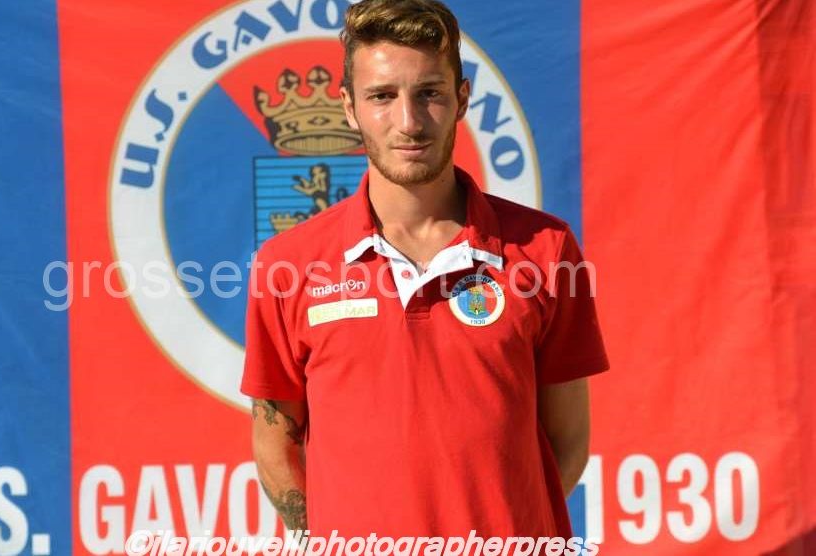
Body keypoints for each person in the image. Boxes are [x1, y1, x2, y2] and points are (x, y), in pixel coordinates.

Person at [241, 0, 609, 540]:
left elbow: (567, 439)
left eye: (430, 93)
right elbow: (275, 444)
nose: (409, 122)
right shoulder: (287, 265)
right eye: (382, 96)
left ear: (462, 98)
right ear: (349, 108)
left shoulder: (545, 248)